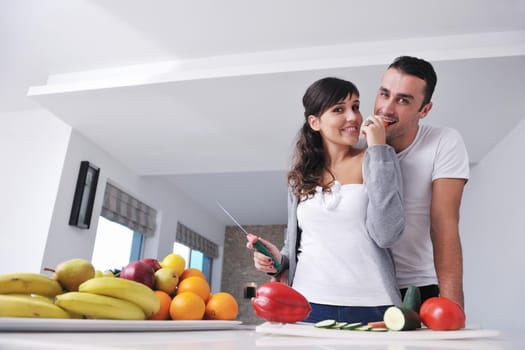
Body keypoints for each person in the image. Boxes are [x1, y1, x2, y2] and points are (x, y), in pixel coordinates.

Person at [248, 77, 405, 323]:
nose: (353, 117)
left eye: (355, 106)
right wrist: (277, 259)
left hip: (372, 304)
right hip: (306, 304)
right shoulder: (299, 177)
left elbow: (387, 233)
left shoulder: (377, 158)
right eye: (339, 109)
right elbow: (296, 246)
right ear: (315, 122)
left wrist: (378, 149)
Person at [373, 56, 469, 308]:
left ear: (424, 110)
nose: (387, 108)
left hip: (418, 286)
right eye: (384, 94)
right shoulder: (356, 142)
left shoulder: (444, 141)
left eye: (403, 100)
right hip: (366, 286)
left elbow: (444, 224)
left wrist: (453, 308)